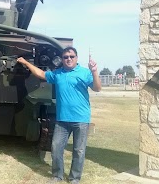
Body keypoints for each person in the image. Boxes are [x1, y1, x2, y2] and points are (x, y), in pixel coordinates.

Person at [17, 46, 101, 183]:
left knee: (78, 151)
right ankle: (57, 176)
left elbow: (97, 88)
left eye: (71, 57)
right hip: (62, 119)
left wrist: (95, 71)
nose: (68, 59)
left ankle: (74, 178)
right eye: (65, 57)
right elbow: (41, 74)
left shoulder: (85, 73)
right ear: (62, 59)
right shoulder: (58, 74)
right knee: (56, 147)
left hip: (81, 119)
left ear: (76, 58)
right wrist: (26, 63)